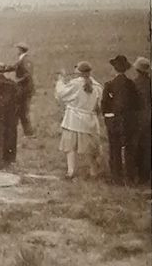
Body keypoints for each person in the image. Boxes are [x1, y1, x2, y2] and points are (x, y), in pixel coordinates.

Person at [54, 62, 102, 180]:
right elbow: (99, 105)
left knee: (70, 147)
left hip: (73, 120)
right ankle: (93, 171)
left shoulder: (75, 84)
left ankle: (71, 171)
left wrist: (60, 80)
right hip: (89, 121)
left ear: (79, 72)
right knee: (91, 149)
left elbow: (61, 94)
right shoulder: (98, 86)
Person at [101, 55, 143, 184]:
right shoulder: (131, 84)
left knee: (115, 149)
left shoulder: (109, 85)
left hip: (114, 122)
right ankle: (130, 176)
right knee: (129, 149)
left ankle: (116, 177)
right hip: (129, 122)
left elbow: (104, 105)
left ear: (114, 69)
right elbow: (138, 104)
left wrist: (109, 119)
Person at [133, 57, 152, 185]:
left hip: (138, 119)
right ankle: (146, 175)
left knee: (137, 146)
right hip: (149, 117)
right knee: (147, 146)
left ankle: (139, 175)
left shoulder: (134, 83)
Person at [13, 43, 35, 137]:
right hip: (24, 89)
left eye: (17, 49)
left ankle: (29, 133)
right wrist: (3, 68)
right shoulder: (22, 59)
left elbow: (27, 74)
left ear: (20, 50)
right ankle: (28, 133)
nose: (16, 51)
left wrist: (18, 81)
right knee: (22, 111)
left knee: (24, 111)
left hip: (24, 89)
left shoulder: (25, 60)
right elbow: (14, 67)